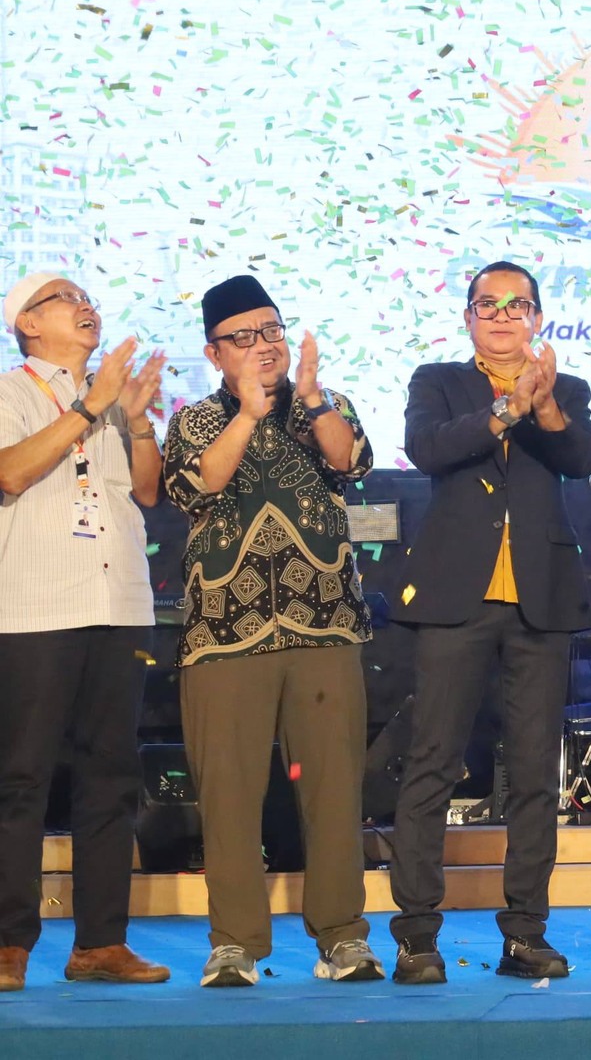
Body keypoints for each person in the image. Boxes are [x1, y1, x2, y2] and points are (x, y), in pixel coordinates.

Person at [163, 274, 382, 987]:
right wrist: (249, 413)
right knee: (228, 794)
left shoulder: (324, 403)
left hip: (325, 621)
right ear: (214, 352)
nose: (264, 346)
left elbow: (348, 460)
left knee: (334, 790)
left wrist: (310, 397)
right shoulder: (196, 420)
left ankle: (342, 936)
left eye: (272, 331)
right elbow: (198, 484)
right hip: (225, 629)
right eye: (244, 337)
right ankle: (235, 942)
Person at [387, 262, 591, 985]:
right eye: (489, 304)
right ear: (468, 316)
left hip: (540, 599)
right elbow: (429, 448)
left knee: (535, 773)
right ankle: (417, 936)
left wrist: (542, 404)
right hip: (456, 596)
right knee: (433, 763)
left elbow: (580, 458)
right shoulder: (438, 380)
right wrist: (508, 408)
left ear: (537, 317)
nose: (503, 315)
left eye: (518, 305)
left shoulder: (567, 389)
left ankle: (526, 934)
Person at [0, 274, 171, 991]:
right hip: (35, 607)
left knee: (111, 775)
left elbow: (148, 490)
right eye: (66, 297)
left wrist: (135, 418)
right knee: (22, 777)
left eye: (88, 298)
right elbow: (10, 472)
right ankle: (8, 944)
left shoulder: (109, 399)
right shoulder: (11, 392)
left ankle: (100, 943)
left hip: (120, 601)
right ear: (29, 324)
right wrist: (89, 405)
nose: (85, 306)